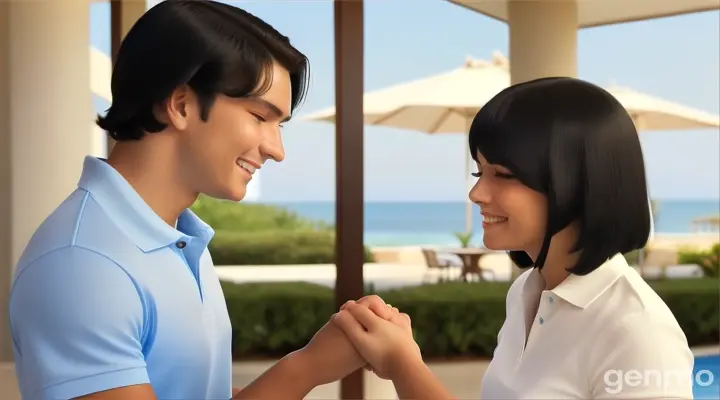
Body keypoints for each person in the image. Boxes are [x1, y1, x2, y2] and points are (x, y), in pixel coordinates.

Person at [8, 1, 397, 399]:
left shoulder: (179, 238)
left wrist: (318, 358)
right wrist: (306, 367)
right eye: (260, 117)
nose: (277, 150)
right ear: (180, 104)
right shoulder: (84, 265)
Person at [332, 77, 695, 399]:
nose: (477, 193)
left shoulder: (638, 333)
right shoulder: (525, 292)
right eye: (479, 171)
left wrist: (404, 365)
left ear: (574, 182)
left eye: (502, 174)